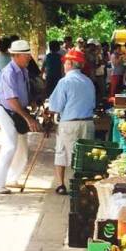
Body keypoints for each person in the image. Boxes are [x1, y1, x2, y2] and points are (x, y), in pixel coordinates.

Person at [0, 39, 41, 194]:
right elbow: (12, 101)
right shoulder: (9, 73)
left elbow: (24, 92)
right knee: (10, 146)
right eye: (25, 55)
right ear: (16, 55)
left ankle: (12, 178)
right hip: (6, 111)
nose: (28, 57)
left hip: (19, 110)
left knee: (22, 150)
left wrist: (32, 101)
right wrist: (28, 118)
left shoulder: (23, 70)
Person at [48, 49, 96, 195]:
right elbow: (92, 103)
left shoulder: (65, 82)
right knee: (84, 156)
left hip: (69, 123)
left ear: (69, 63)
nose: (64, 65)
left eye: (65, 63)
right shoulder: (88, 81)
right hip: (88, 123)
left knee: (61, 153)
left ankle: (62, 185)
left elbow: (55, 106)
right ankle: (83, 185)